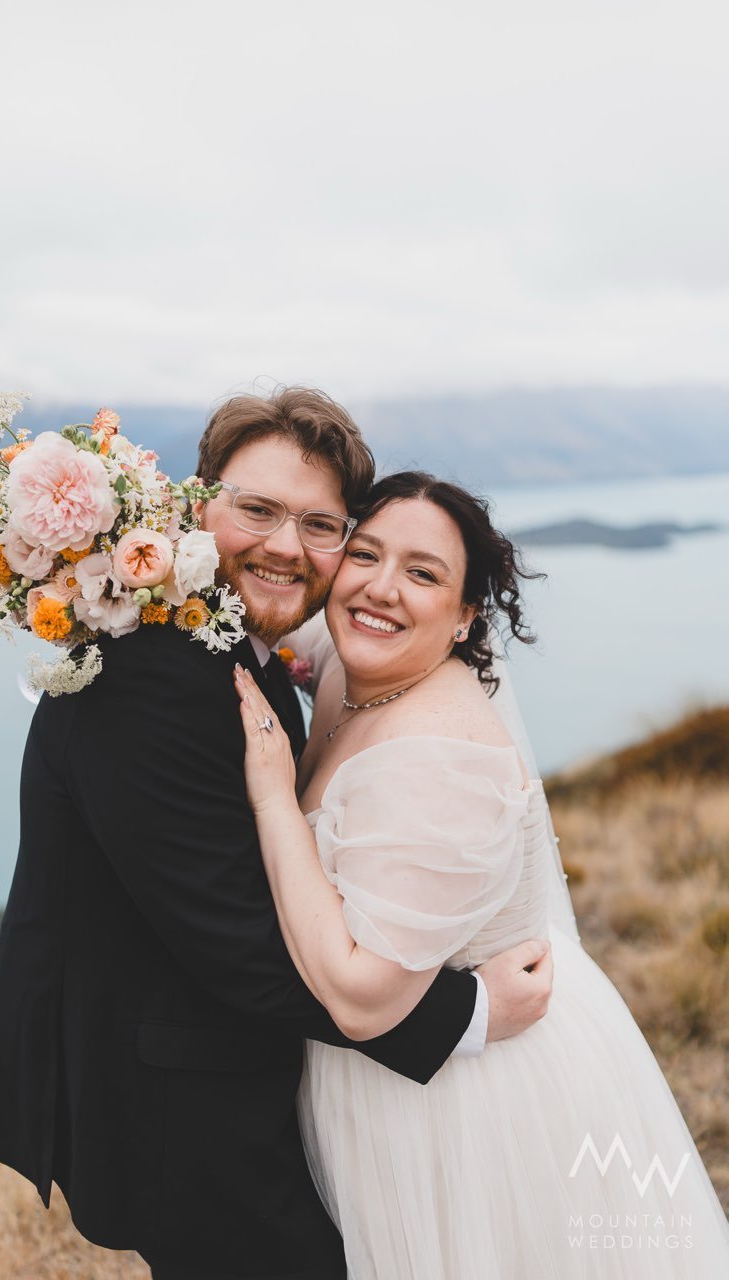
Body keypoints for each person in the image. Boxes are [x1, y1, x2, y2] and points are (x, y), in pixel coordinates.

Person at [0, 390, 552, 1280]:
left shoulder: (221, 632)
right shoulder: (149, 678)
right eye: (258, 510)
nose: (286, 545)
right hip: (173, 1099)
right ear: (200, 508)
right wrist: (465, 1015)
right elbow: (239, 939)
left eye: (321, 526)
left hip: (227, 1069)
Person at [234, 470, 729, 1280]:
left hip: (469, 1099)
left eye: (425, 574)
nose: (382, 589)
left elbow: (364, 998)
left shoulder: (443, 758)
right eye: (365, 554)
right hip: (399, 1080)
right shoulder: (355, 664)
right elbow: (296, 621)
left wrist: (272, 799)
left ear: (467, 618)